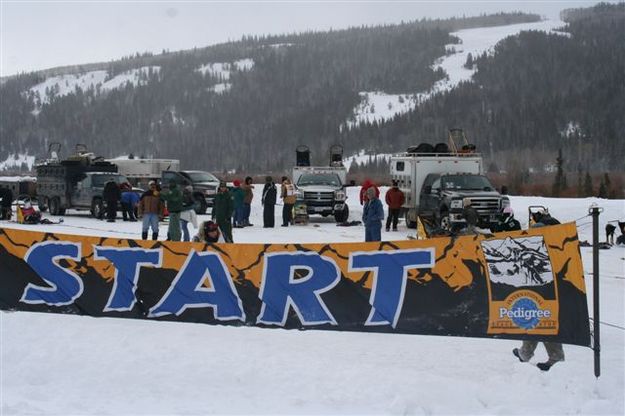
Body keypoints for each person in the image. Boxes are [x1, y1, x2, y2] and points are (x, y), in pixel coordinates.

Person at [513, 210, 564, 371]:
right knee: (536, 317)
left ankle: (553, 357)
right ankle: (526, 352)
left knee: (540, 318)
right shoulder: (555, 226)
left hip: (544, 282)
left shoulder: (540, 229)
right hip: (550, 278)